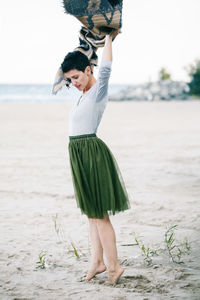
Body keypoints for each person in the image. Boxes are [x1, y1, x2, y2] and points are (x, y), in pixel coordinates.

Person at [61, 32, 130, 285]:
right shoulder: (82, 94)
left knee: (100, 215)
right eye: (70, 80)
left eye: (77, 77)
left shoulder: (98, 91)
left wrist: (109, 39)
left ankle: (114, 266)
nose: (74, 83)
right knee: (91, 214)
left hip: (91, 153)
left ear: (89, 70)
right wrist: (84, 47)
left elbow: (107, 68)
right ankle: (97, 262)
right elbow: (65, 72)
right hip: (79, 153)